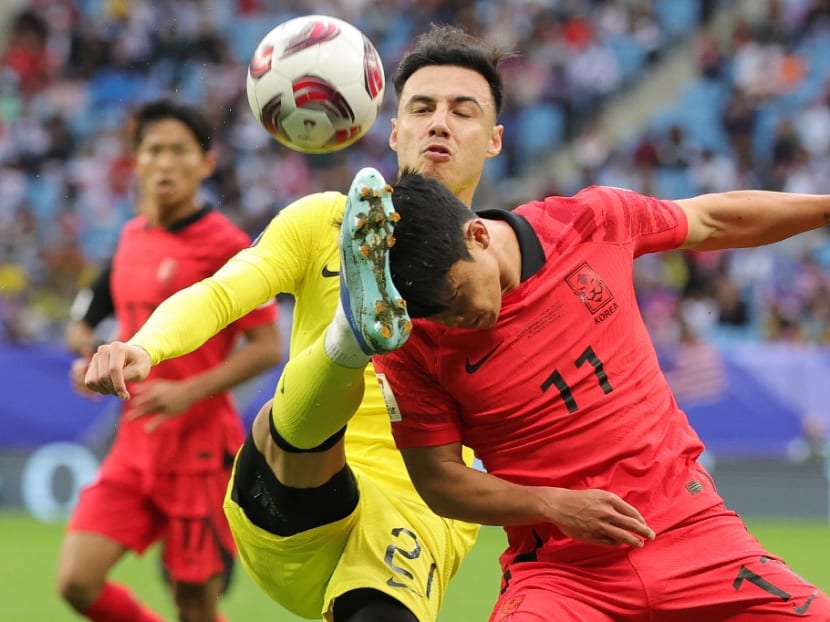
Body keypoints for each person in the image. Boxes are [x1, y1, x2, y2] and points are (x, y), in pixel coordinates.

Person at [83, 25, 506, 622]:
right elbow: (226, 290)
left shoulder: (505, 260)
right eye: (421, 107)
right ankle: (350, 340)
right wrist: (145, 347)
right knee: (311, 422)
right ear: (391, 129)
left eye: (463, 112)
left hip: (421, 505)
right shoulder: (328, 220)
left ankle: (349, 337)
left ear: (493, 139)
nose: (439, 123)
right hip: (295, 479)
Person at [371, 170, 830, 621]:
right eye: (438, 314)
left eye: (457, 295)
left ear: (478, 235)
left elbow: (711, 219)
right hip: (562, 576)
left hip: (692, 530)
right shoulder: (409, 343)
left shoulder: (589, 222)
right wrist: (552, 504)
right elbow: (440, 481)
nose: (456, 320)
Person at [58, 99, 283, 622]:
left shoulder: (227, 245)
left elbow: (268, 347)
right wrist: (92, 366)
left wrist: (187, 391)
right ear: (135, 161)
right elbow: (97, 327)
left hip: (199, 452)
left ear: (206, 164)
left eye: (179, 150)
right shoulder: (132, 237)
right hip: (133, 446)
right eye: (153, 150)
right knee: (76, 581)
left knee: (195, 603)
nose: (165, 162)